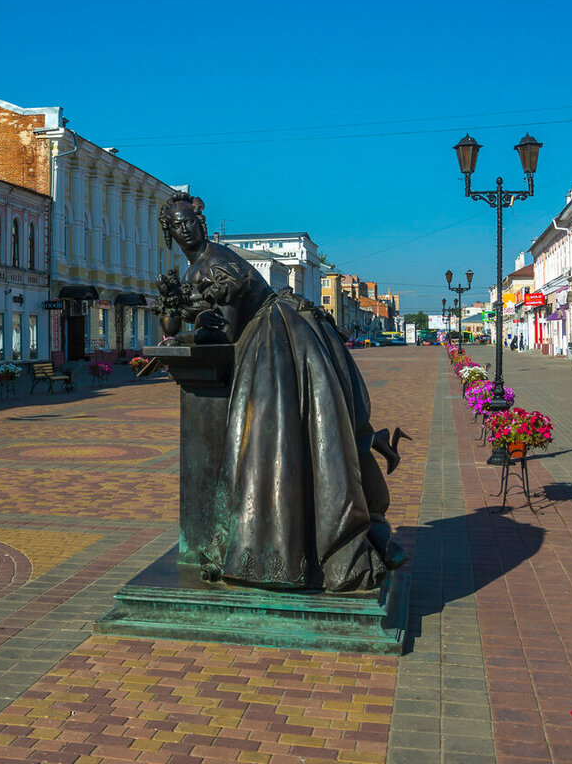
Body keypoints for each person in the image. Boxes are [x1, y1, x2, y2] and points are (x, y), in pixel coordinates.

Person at [159, 192, 405, 593]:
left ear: (201, 223)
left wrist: (183, 335)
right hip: (280, 336)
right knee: (315, 436)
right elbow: (200, 319)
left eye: (189, 221)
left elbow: (227, 331)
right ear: (169, 233)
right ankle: (359, 492)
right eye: (176, 225)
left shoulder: (215, 264)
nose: (185, 229)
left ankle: (292, 545)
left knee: (272, 444)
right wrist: (177, 318)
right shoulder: (197, 268)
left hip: (275, 341)